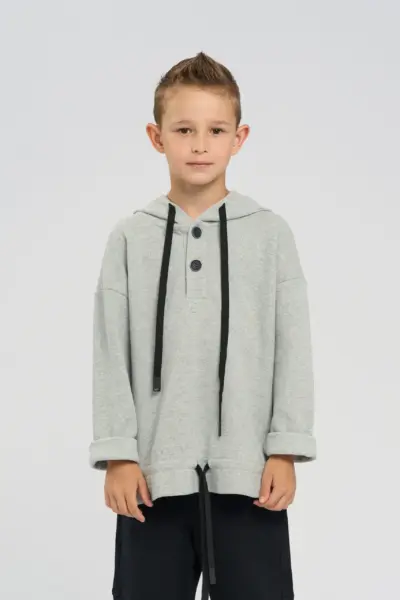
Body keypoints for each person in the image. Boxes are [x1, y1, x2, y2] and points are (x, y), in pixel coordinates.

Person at [88, 51, 317, 600]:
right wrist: (118, 453)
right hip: (151, 481)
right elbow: (109, 350)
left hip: (249, 478)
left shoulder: (270, 235)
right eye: (184, 129)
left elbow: (293, 347)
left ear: (239, 138)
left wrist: (285, 449)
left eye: (215, 130)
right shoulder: (129, 238)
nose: (199, 144)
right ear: (156, 136)